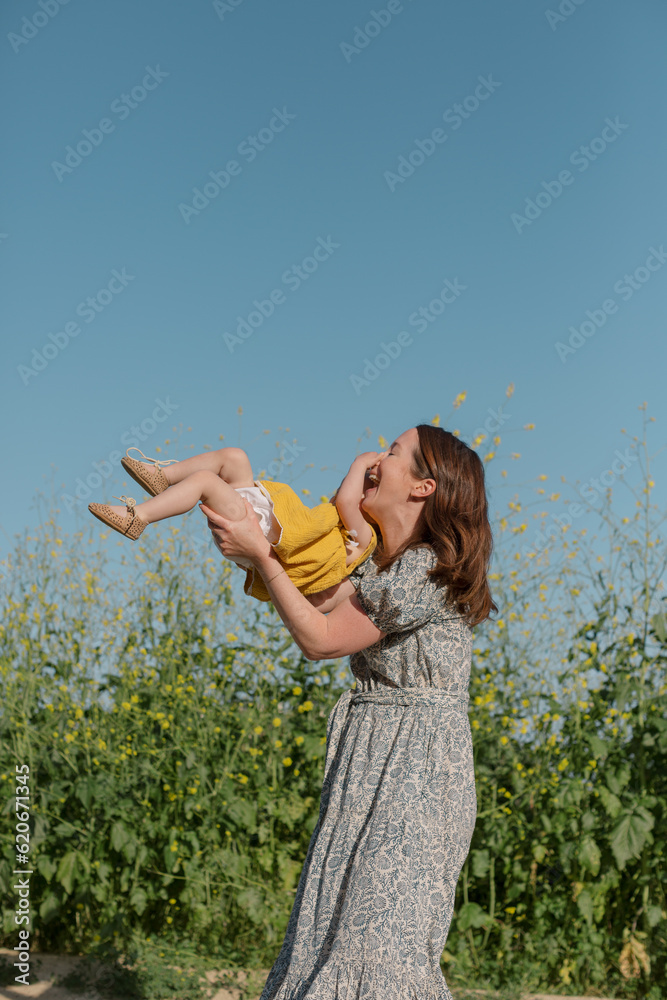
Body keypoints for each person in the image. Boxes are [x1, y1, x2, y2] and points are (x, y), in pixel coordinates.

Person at [201, 424, 498, 1000]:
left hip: (416, 771)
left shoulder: (427, 570)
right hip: (373, 755)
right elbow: (314, 599)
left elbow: (320, 638)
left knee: (377, 941)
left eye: (392, 453)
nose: (376, 459)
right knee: (333, 930)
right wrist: (278, 541)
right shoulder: (387, 566)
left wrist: (263, 556)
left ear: (423, 487)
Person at [87, 444, 381, 602]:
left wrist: (359, 463)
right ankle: (162, 478)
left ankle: (137, 518)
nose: (362, 484)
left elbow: (344, 500)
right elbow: (343, 498)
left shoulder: (363, 536)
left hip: (269, 542)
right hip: (267, 524)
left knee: (205, 481)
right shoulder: (337, 522)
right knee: (234, 457)